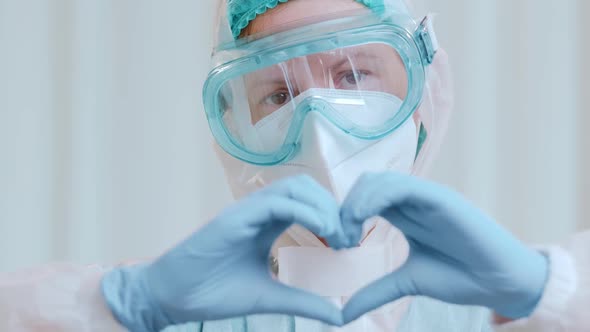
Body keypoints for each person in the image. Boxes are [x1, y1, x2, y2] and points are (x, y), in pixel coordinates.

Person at [0, 0, 588, 331]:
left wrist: (550, 291)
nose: (320, 124)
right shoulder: (177, 305)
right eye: (278, 96)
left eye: (354, 75)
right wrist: (113, 306)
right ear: (233, 130)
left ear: (424, 97)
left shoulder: (504, 310)